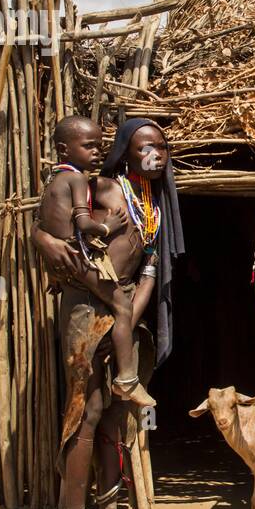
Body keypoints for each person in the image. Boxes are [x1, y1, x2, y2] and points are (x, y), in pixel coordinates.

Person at [34, 117, 185, 509]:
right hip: (85, 305)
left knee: (115, 414)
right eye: (144, 148)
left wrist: (127, 312)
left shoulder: (155, 206)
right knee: (87, 410)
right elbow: (52, 208)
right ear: (125, 152)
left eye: (161, 146)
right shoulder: (104, 185)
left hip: (122, 311)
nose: (155, 155)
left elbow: (148, 271)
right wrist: (41, 235)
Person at [37, 116, 154, 408]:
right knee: (122, 305)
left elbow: (44, 220)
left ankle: (124, 377)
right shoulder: (77, 179)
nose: (97, 152)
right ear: (64, 149)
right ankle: (127, 379)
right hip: (79, 257)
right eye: (89, 146)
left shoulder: (55, 179)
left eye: (100, 146)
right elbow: (82, 221)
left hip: (72, 257)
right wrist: (108, 227)